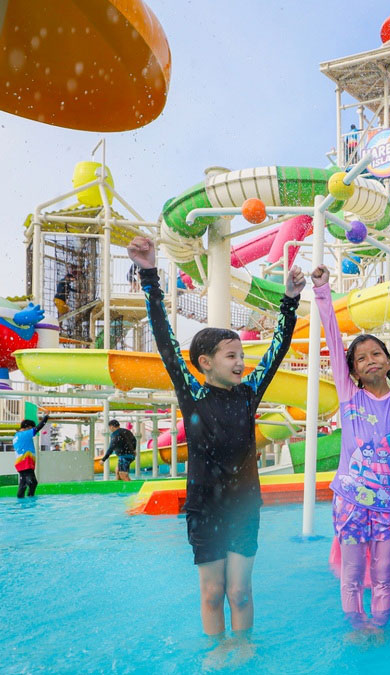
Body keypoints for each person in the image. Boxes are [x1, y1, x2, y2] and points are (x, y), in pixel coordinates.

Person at [127, 235, 305, 645]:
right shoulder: (193, 391)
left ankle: (244, 654)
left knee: (240, 591)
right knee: (212, 592)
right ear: (205, 362)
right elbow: (165, 339)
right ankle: (215, 658)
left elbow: (277, 351)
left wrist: (290, 301)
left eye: (241, 354)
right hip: (204, 507)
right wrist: (150, 275)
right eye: (231, 355)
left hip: (244, 506)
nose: (241, 361)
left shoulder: (248, 393)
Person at [312, 265, 390, 630]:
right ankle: (357, 629)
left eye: (377, 354)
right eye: (361, 358)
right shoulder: (349, 397)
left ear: (389, 361)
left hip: (389, 508)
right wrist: (323, 291)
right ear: (353, 371)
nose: (370, 359)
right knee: (352, 577)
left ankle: (381, 630)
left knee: (383, 578)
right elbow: (332, 336)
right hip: (351, 502)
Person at [12, 412, 49, 498]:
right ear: (28, 427)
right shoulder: (24, 434)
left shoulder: (17, 435)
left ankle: (21, 500)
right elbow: (38, 428)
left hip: (21, 463)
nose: (32, 430)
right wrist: (46, 417)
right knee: (33, 482)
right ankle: (30, 499)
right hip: (25, 463)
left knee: (23, 484)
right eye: (31, 428)